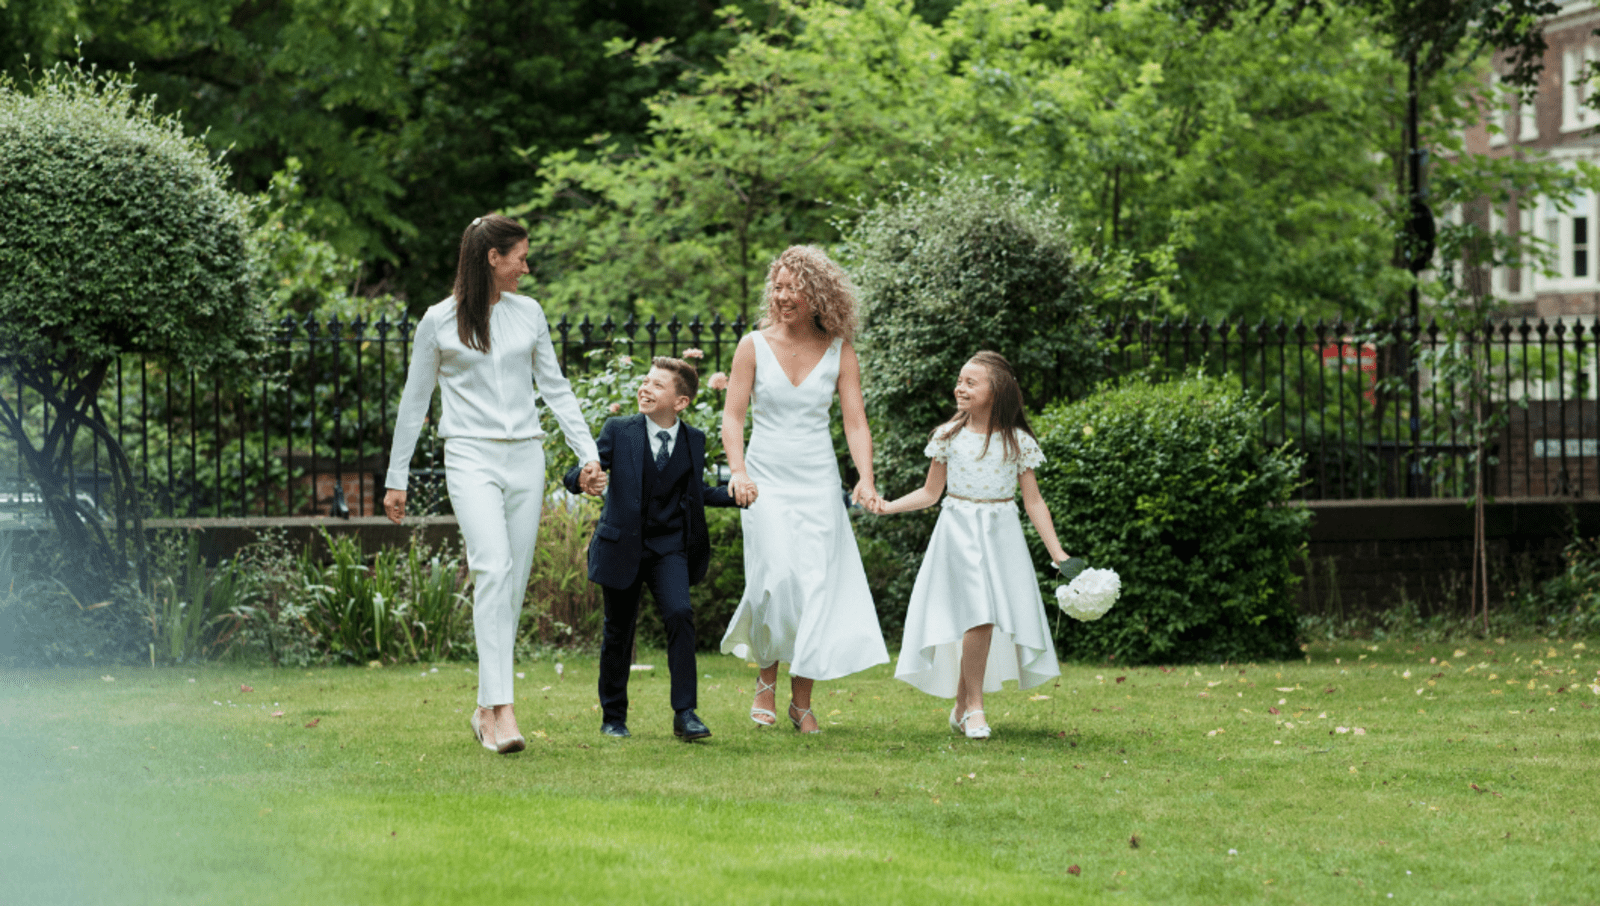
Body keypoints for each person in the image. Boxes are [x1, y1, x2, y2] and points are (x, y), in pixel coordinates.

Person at [383, 214, 604, 755]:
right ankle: (502, 713)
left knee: (513, 579)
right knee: (493, 568)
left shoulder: (529, 313)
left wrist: (589, 453)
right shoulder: (437, 321)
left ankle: (485, 706)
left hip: (526, 456)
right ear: (492, 258)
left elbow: (556, 387)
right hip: (469, 457)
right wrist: (397, 477)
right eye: (521, 257)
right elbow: (415, 403)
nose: (527, 267)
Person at [718, 246, 888, 734]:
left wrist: (866, 478)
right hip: (766, 478)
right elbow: (733, 415)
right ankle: (765, 681)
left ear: (818, 294)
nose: (783, 295)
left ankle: (801, 701)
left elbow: (855, 422)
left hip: (817, 480)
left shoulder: (839, 349)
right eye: (778, 286)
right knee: (776, 577)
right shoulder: (752, 344)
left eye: (794, 287)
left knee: (816, 587)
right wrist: (738, 470)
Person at [869, 351, 1069, 739]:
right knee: (979, 613)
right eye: (960, 381)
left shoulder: (1017, 441)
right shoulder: (948, 437)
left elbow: (1033, 501)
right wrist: (889, 506)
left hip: (1001, 533)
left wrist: (1057, 552)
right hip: (958, 532)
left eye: (970, 382)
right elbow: (930, 493)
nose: (960, 387)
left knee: (986, 615)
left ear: (997, 390)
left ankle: (962, 704)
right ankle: (975, 707)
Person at [563, 357, 745, 741]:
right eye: (645, 381)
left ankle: (686, 714)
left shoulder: (694, 441)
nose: (645, 388)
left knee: (680, 614)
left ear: (680, 402)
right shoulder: (619, 430)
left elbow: (696, 493)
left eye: (657, 385)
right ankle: (613, 717)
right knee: (619, 631)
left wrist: (736, 495)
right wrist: (582, 478)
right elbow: (585, 469)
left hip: (669, 548)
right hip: (621, 545)